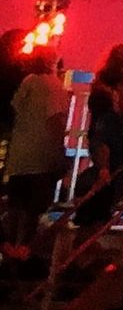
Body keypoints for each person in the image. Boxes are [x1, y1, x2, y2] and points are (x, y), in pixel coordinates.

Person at [74, 43, 123, 230]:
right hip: (116, 137)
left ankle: (90, 221)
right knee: (112, 182)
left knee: (105, 177)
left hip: (100, 138)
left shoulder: (101, 83)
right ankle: (98, 221)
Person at [4, 50, 70, 261]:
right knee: (35, 209)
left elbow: (15, 108)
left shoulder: (28, 81)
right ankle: (23, 252)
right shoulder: (54, 86)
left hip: (19, 156)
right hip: (41, 158)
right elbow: (55, 120)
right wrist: (61, 152)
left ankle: (8, 249)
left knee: (15, 207)